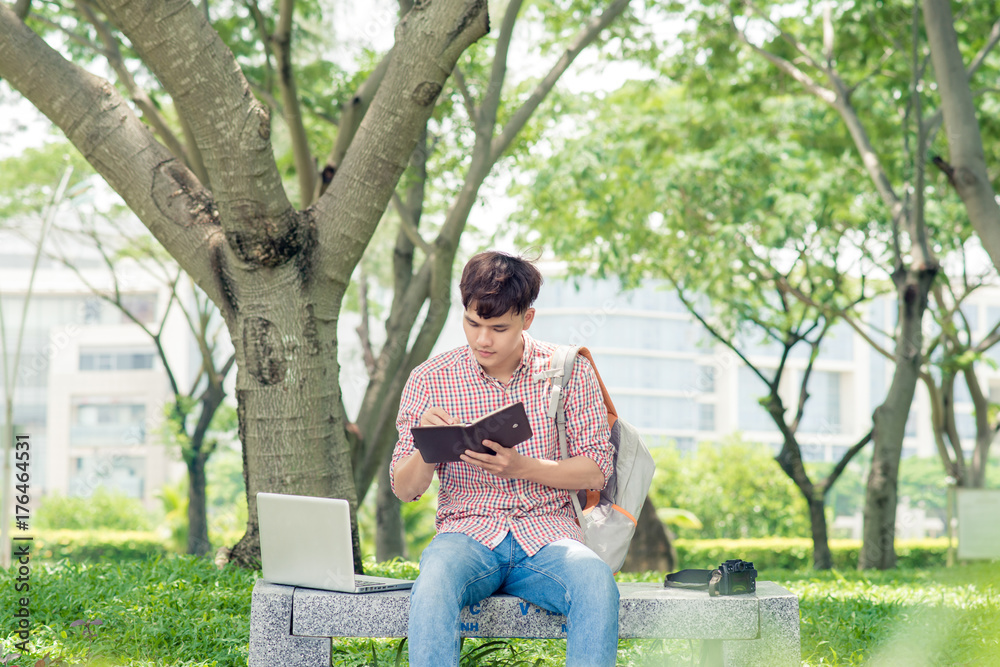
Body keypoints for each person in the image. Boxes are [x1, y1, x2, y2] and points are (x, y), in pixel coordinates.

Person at [390, 251, 619, 667]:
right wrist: (428, 445)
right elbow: (405, 490)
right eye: (473, 324)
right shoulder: (430, 378)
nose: (483, 340)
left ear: (527, 319)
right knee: (435, 578)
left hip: (549, 537)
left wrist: (519, 466)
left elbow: (596, 470)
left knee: (595, 580)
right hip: (466, 535)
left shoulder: (568, 372)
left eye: (498, 328)